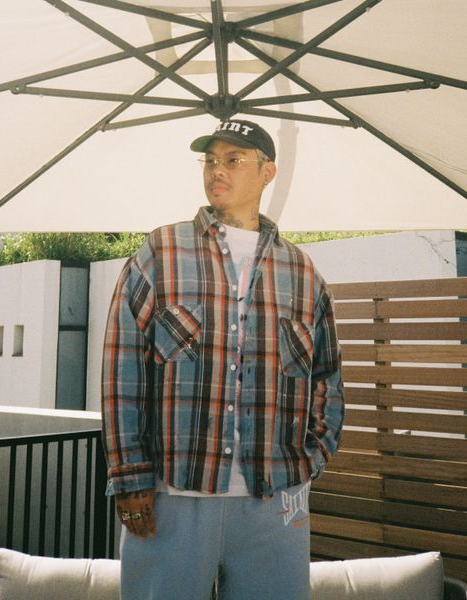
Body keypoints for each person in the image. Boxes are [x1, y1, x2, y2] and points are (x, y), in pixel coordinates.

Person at [101, 119, 345, 600]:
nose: (217, 170)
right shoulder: (161, 252)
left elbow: (327, 379)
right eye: (210, 160)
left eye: (234, 160)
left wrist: (309, 461)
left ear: (267, 172)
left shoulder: (302, 272)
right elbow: (121, 371)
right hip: (173, 495)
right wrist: (129, 476)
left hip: (276, 500)